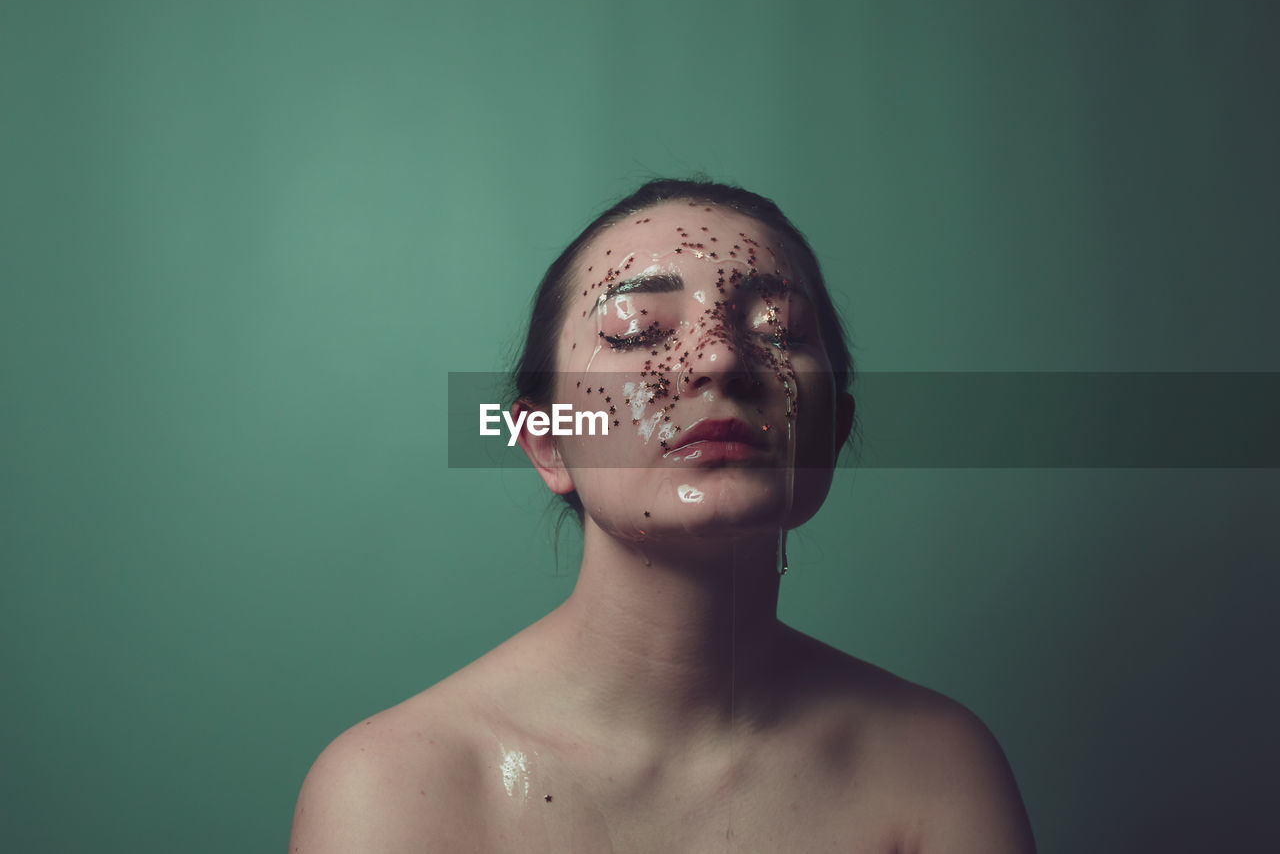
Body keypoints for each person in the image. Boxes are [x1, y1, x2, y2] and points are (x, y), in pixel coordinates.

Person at [289, 180, 1037, 852]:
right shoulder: (393, 787)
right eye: (638, 330)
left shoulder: (939, 768)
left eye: (779, 328)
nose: (718, 360)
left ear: (832, 432)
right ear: (548, 442)